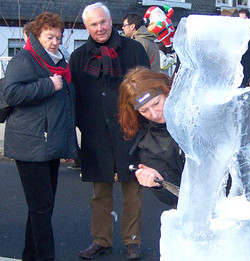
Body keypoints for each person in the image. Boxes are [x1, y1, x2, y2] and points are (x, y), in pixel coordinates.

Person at [118, 66, 250, 207]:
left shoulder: (196, 103)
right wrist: (160, 183)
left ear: (166, 91)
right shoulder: (149, 143)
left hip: (243, 195)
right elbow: (176, 195)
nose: (154, 114)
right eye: (144, 110)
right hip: (203, 210)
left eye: (156, 103)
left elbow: (229, 95)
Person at [69, 2, 150, 260]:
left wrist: (141, 122)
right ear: (87, 27)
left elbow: (147, 88)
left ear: (110, 20)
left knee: (132, 190)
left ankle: (132, 241)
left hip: (129, 130)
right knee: (100, 193)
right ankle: (101, 240)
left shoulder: (134, 49)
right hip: (96, 133)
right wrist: (85, 126)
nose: (100, 28)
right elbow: (76, 97)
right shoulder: (79, 57)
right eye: (93, 24)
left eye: (103, 22)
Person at [4, 12, 77, 260]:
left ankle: (30, 255)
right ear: (37, 35)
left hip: (49, 144)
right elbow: (11, 94)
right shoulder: (25, 59)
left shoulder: (59, 64)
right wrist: (49, 85)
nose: (54, 42)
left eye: (58, 37)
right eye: (49, 36)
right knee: (41, 208)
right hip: (30, 144)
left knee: (40, 209)